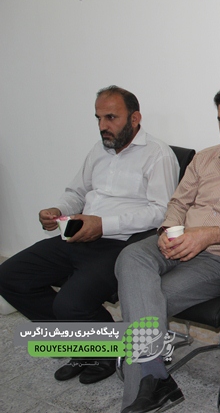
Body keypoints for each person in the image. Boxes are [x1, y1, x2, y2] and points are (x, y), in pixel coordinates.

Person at [115, 83, 220, 413]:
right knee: (131, 256)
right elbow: (178, 203)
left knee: (145, 298)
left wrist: (209, 235)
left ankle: (146, 385)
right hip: (177, 241)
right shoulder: (205, 158)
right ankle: (155, 378)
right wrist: (167, 229)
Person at [0, 86, 179, 384]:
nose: (102, 126)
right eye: (98, 118)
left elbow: (161, 213)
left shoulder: (157, 154)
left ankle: (104, 353)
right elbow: (77, 192)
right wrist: (58, 209)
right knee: (10, 276)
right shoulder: (99, 150)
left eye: (111, 117)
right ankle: (83, 345)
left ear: (134, 118)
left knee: (69, 303)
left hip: (123, 246)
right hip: (79, 235)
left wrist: (103, 224)